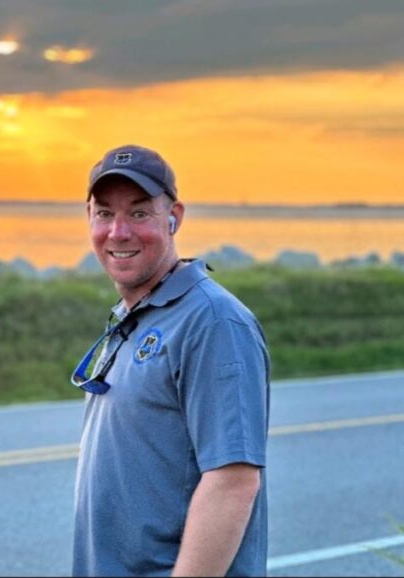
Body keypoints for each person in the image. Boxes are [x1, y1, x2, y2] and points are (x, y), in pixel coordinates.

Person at [71, 144, 270, 577]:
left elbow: (233, 481)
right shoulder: (137, 314)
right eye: (104, 213)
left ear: (174, 217)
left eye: (139, 213)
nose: (118, 231)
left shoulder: (213, 322)